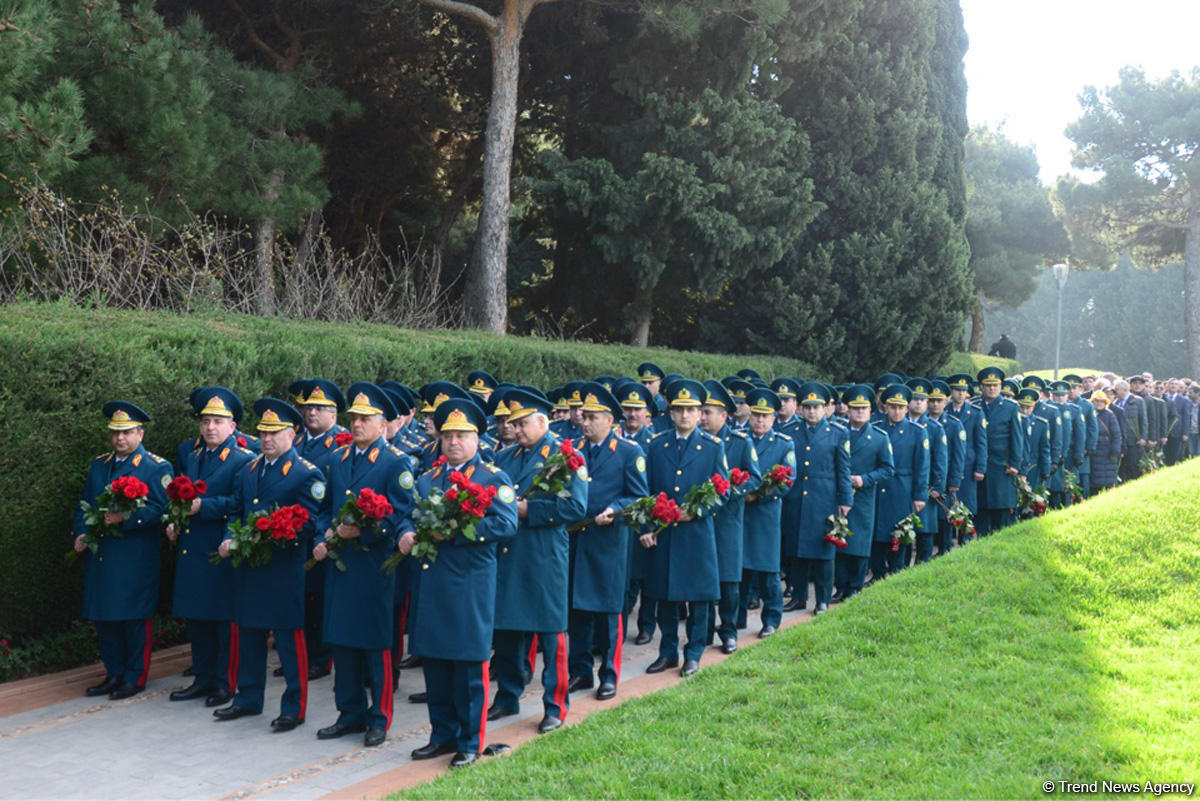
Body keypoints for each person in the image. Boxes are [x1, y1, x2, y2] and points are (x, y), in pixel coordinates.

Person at [399, 398, 518, 769]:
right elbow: (407, 514)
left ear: (477, 438)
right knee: (435, 662)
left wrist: (454, 532)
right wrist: (404, 533)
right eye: (448, 435)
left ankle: (471, 741)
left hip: (470, 585)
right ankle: (442, 735)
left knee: (468, 667)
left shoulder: (493, 478)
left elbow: (505, 525)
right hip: (432, 585)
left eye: (461, 435)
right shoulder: (427, 478)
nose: (453, 442)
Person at [313, 383, 415, 748]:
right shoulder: (337, 460)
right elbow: (323, 510)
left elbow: (403, 515)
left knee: (375, 647)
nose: (356, 424)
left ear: (383, 423)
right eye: (353, 418)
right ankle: (349, 713)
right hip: (342, 569)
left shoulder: (395, 462)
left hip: (374, 568)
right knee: (342, 643)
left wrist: (366, 531)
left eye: (365, 418)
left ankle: (379, 717)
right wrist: (321, 536)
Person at [213, 398, 325, 732]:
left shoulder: (306, 473)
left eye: (274, 433)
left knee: (290, 640)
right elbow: (236, 509)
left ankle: (294, 706)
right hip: (250, 567)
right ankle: (248, 698)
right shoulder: (248, 469)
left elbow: (309, 521)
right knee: (249, 634)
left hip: (283, 568)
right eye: (263, 432)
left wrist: (276, 534)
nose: (266, 439)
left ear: (292, 434)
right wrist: (231, 535)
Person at [489, 389, 588, 734]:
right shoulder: (505, 458)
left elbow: (576, 507)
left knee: (551, 634)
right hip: (509, 554)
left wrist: (530, 510)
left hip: (544, 556)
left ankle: (555, 705)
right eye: (514, 424)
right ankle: (507, 695)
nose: (516, 429)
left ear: (543, 422)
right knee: (507, 630)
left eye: (523, 423)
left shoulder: (564, 455)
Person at [73, 401, 172, 700]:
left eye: (127, 432)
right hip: (103, 554)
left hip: (135, 557)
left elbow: (162, 509)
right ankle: (113, 672)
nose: (120, 438)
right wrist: (81, 531)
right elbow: (85, 503)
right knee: (105, 617)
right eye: (115, 432)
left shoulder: (156, 467)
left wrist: (125, 519)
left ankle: (134, 677)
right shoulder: (99, 464)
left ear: (140, 434)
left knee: (133, 619)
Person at [167, 387, 255, 707]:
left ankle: (224, 682)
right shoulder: (193, 455)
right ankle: (202, 678)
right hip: (193, 545)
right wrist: (176, 517)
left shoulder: (242, 459)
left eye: (218, 421)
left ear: (233, 426)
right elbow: (182, 494)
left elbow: (240, 502)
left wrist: (202, 506)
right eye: (205, 421)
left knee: (222, 620)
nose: (210, 428)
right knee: (198, 617)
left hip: (220, 546)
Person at [566, 383, 648, 701]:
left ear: (609, 420)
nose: (584, 422)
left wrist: (615, 509)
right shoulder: (573, 451)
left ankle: (609, 675)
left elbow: (638, 495)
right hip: (578, 541)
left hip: (609, 542)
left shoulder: (629, 452)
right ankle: (580, 671)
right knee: (578, 611)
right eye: (583, 416)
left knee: (610, 611)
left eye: (591, 417)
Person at [641, 378, 727, 677]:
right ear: (670, 411)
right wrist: (648, 526)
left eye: (691, 410)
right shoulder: (656, 445)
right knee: (664, 594)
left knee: (698, 598)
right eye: (679, 409)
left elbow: (722, 492)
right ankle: (668, 653)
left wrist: (697, 511)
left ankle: (694, 652)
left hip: (696, 534)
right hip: (664, 533)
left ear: (700, 413)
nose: (685, 415)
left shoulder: (713, 447)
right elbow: (647, 491)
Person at [292, 378, 348, 681]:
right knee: (298, 597)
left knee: (319, 600)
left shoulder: (342, 444)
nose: (312, 412)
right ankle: (301, 654)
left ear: (334, 414)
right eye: (308, 406)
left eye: (320, 407)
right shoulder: (297, 440)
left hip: (322, 532)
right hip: (296, 531)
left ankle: (320, 657)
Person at [780, 383, 852, 614]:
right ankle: (798, 596)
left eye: (817, 407)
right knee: (797, 550)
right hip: (796, 499)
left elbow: (843, 469)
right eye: (808, 407)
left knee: (824, 553)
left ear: (825, 408)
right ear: (800, 408)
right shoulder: (790, 432)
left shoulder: (838, 433)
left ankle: (822, 599)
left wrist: (845, 500)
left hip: (824, 500)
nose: (812, 411)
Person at [700, 381, 761, 647]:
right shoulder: (698, 441)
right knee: (702, 579)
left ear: (723, 415)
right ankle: (701, 632)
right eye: (701, 411)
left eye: (708, 412)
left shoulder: (740, 442)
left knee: (728, 580)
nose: (702, 417)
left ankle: (728, 631)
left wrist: (730, 491)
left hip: (728, 520)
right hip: (701, 520)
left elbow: (754, 479)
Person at [738, 389, 796, 636]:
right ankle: (735, 619)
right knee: (738, 570)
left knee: (768, 570)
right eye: (757, 415)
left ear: (773, 418)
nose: (760, 421)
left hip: (766, 514)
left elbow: (787, 480)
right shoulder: (739, 439)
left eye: (766, 416)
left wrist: (758, 495)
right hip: (739, 512)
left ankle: (771, 619)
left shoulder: (784, 444)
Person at [833, 385, 893, 601]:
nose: (859, 412)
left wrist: (864, 479)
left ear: (870, 411)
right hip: (839, 494)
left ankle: (854, 587)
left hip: (864, 496)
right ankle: (840, 587)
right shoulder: (838, 432)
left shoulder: (879, 437)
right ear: (847, 410)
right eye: (855, 408)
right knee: (839, 541)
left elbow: (888, 469)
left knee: (858, 543)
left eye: (863, 408)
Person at [870, 385, 928, 579]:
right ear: (886, 407)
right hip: (879, 488)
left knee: (899, 534)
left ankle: (897, 573)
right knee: (877, 536)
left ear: (906, 408)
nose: (896, 411)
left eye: (900, 407)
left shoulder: (917, 432)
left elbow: (922, 467)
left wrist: (920, 495)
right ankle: (878, 575)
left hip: (902, 488)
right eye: (893, 407)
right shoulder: (876, 428)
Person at [973, 367, 1024, 536]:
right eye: (988, 385)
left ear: (1001, 386)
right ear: (981, 387)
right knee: (981, 515)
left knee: (1001, 519)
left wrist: (1015, 464)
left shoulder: (1010, 407)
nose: (992, 388)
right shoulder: (974, 406)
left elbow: (1017, 438)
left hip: (1002, 468)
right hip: (980, 468)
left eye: (995, 385)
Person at [1088, 391, 1123, 492]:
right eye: (1096, 401)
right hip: (1093, 452)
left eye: (1101, 401)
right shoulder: (1089, 413)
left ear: (1105, 402)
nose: (1099, 403)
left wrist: (1115, 450)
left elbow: (1116, 434)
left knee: (1107, 479)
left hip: (1107, 452)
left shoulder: (1110, 415)